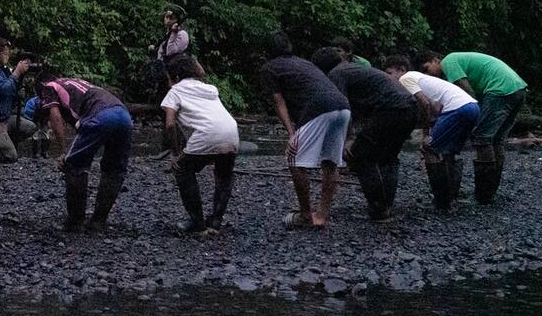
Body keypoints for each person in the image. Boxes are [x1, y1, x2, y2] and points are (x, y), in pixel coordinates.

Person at [312, 47, 418, 220]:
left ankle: (378, 208)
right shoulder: (354, 68)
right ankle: (385, 207)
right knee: (388, 157)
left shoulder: (336, 74)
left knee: (360, 156)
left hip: (391, 109)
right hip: (410, 107)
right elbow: (358, 109)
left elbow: (343, 106)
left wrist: (348, 139)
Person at [260, 32, 351, 229]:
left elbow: (278, 101)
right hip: (343, 106)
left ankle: (305, 215)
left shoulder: (270, 67)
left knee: (294, 158)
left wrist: (291, 132)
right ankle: (321, 215)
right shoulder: (305, 63)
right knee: (330, 162)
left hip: (319, 107)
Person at [419, 50, 527, 204]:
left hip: (500, 89)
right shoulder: (459, 61)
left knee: (482, 139)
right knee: (496, 140)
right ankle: (490, 192)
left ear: (435, 60)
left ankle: (483, 195)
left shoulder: (449, 61)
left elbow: (468, 93)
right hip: (517, 88)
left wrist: (472, 121)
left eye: (426, 68)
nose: (427, 75)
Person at [38, 73, 133, 233]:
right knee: (114, 170)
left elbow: (55, 117)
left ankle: (75, 223)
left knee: (73, 165)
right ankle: (99, 221)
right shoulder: (76, 83)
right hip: (124, 116)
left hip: (100, 115)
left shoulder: (49, 87)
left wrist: (64, 151)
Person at [383, 55, 479, 211]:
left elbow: (426, 104)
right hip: (472, 106)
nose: (388, 78)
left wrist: (427, 135)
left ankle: (441, 202)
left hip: (457, 108)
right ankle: (451, 198)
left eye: (389, 73)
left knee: (430, 149)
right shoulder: (420, 77)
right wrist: (427, 132)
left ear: (401, 70)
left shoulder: (405, 79)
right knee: (449, 152)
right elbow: (433, 107)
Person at [161, 54, 238, 235]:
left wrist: (175, 152)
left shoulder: (175, 91)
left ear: (175, 77)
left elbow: (170, 124)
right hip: (231, 133)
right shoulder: (210, 89)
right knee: (224, 175)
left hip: (205, 135)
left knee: (182, 169)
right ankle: (216, 221)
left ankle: (198, 222)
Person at [0, 39, 36, 162]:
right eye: (5, 53)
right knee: (10, 156)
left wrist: (19, 91)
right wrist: (17, 72)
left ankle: (2, 141)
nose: (8, 56)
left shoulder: (3, 69)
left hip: (5, 118)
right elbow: (4, 89)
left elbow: (10, 93)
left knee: (30, 127)